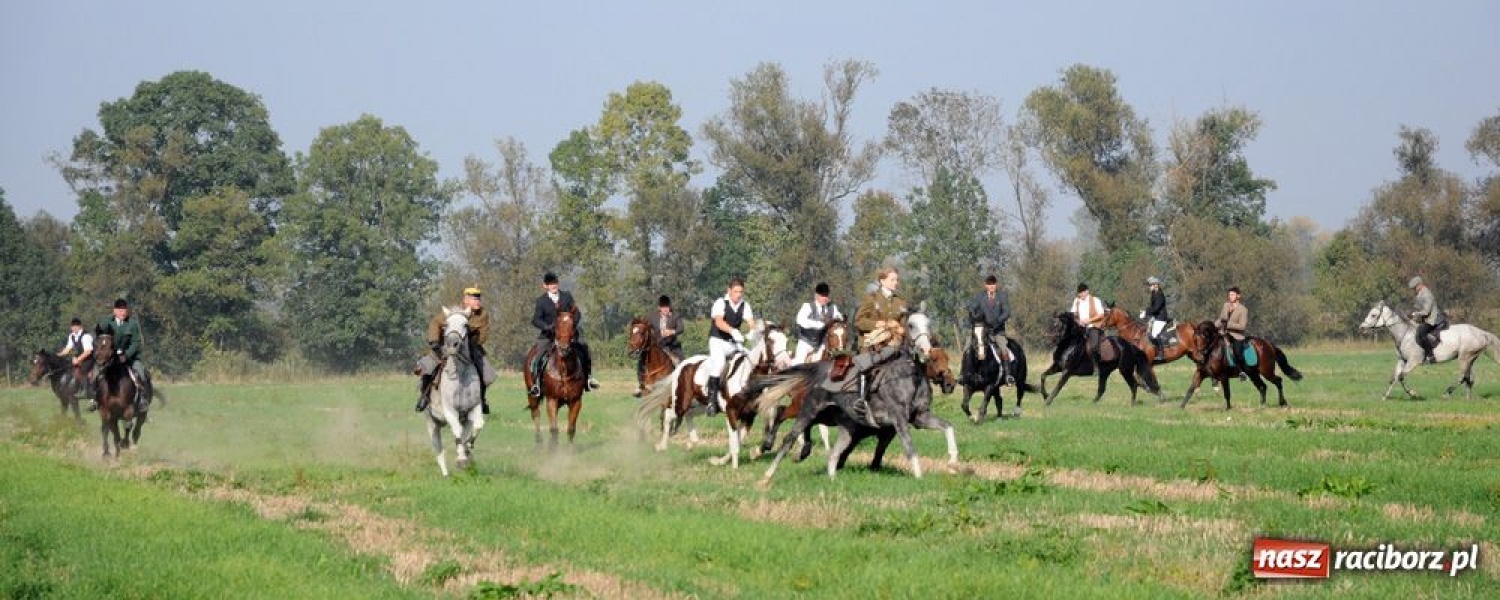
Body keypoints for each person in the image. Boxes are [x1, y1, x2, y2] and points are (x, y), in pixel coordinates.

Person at [414, 287, 496, 414]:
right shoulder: (453, 312)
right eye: (474, 298)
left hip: (470, 348)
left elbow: (483, 335)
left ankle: (481, 400)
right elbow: (436, 323)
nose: (478, 301)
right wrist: (435, 342)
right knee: (427, 367)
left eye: (479, 298)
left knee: (488, 375)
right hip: (446, 346)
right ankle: (424, 396)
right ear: (466, 299)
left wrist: (469, 344)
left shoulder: (483, 314)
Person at [848, 267, 909, 426]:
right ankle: (861, 399)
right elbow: (859, 322)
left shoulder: (900, 301)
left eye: (897, 280)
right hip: (872, 343)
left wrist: (902, 329)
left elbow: (904, 325)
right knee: (866, 365)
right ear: (882, 281)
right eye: (892, 280)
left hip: (894, 344)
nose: (896, 283)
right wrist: (878, 324)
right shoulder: (871, 298)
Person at [528, 272, 600, 397]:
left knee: (584, 348)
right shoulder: (541, 301)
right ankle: (536, 385)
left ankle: (588, 379)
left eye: (555, 283)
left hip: (568, 334)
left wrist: (571, 326)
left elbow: (577, 313)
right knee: (537, 356)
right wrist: (546, 327)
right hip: (548, 335)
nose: (553, 285)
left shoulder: (567, 296)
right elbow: (536, 319)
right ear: (545, 286)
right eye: (550, 284)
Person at [703, 278, 756, 416]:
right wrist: (733, 330)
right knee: (719, 364)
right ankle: (711, 401)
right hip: (717, 341)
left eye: (741, 292)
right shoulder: (720, 303)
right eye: (736, 291)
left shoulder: (745, 305)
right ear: (729, 291)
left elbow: (751, 322)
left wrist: (752, 332)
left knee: (750, 360)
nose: (739, 295)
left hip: (733, 343)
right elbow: (719, 322)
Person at [91, 299, 152, 410]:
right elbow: (100, 333)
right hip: (110, 358)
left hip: (129, 358)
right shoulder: (107, 322)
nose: (123, 312)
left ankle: (142, 399)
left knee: (141, 373)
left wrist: (127, 355)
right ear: (115, 311)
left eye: (124, 310)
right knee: (95, 374)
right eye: (120, 310)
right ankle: (94, 399)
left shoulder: (132, 324)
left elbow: (135, 343)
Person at [966, 274, 1014, 384]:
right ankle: (964, 374)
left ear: (996, 285)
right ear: (986, 285)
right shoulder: (980, 297)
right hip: (982, 330)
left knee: (1003, 348)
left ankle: (1008, 375)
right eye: (989, 284)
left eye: (993, 284)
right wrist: (971, 311)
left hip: (997, 331)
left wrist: (997, 321)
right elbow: (972, 306)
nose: (991, 286)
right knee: (967, 347)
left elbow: (1007, 312)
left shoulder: (1002, 296)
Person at [635, 295, 683, 396]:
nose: (665, 309)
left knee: (682, 363)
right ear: (659, 308)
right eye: (663, 307)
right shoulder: (652, 316)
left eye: (667, 307)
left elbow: (681, 328)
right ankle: (640, 385)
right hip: (657, 346)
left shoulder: (675, 316)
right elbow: (644, 324)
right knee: (641, 360)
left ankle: (682, 386)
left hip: (672, 346)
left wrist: (671, 331)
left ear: (669, 307)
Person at [791, 282, 845, 364]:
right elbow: (800, 320)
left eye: (826, 295)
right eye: (823, 296)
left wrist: (838, 318)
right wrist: (818, 324)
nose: (825, 298)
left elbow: (839, 316)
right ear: (816, 296)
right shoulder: (807, 306)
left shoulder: (832, 307)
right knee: (799, 362)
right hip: (806, 342)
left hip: (822, 343)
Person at [1216, 286, 1250, 380]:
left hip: (1236, 335)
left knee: (1237, 352)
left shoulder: (1243, 310)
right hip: (1223, 333)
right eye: (1229, 294)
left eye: (1232, 294)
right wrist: (1213, 326)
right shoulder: (1225, 305)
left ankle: (1242, 371)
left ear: (1238, 296)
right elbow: (1220, 319)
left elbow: (1242, 326)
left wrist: (1228, 324)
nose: (1230, 296)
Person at [1408, 276, 1444, 364]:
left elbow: (1426, 311)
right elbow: (1417, 308)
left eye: (1415, 288)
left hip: (1432, 319)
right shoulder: (1420, 294)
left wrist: (1414, 314)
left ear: (1420, 285)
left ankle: (1431, 355)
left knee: (1421, 332)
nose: (1414, 290)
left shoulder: (1427, 294)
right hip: (1425, 318)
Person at [1070, 283, 1107, 364]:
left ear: (1087, 291)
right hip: (1080, 327)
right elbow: (1073, 315)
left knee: (1094, 346)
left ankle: (1097, 364)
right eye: (1079, 293)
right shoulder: (1076, 301)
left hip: (1093, 326)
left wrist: (1089, 320)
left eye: (1082, 292)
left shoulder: (1095, 300)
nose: (1081, 294)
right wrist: (1078, 321)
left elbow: (1101, 314)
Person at [57, 317, 95, 394]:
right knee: (68, 369)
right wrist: (59, 355)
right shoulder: (72, 336)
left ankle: (86, 390)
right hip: (79, 358)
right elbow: (68, 348)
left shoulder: (86, 336)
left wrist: (78, 359)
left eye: (76, 326)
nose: (74, 328)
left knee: (82, 370)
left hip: (89, 359)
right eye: (72, 326)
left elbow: (88, 351)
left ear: (80, 326)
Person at [1140, 276, 1171, 354]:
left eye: (1150, 285)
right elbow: (1152, 307)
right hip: (1156, 317)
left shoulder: (1159, 295)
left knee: (1154, 335)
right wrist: (1145, 311)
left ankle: (1161, 352)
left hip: (1161, 318)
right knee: (1147, 332)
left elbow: (1156, 308)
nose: (1149, 287)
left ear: (1155, 285)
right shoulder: (1154, 294)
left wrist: (1146, 313)